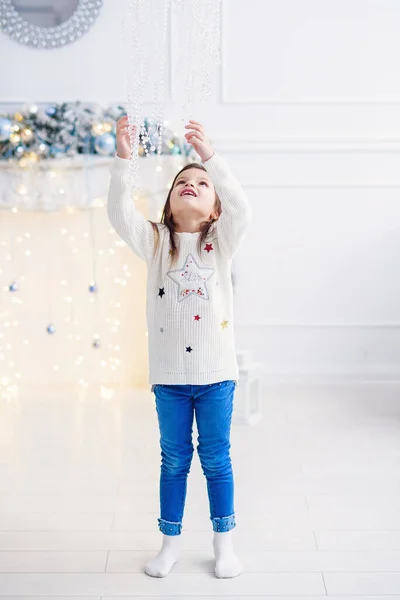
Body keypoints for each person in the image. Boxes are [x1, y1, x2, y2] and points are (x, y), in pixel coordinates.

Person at [107, 116, 252, 578]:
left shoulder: (221, 242)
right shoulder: (156, 242)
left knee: (216, 457)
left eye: (202, 184)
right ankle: (169, 544)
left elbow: (243, 209)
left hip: (215, 376)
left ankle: (223, 544)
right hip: (169, 377)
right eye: (182, 182)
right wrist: (123, 159)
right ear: (169, 202)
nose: (191, 184)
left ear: (215, 207)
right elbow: (118, 212)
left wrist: (212, 158)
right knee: (173, 459)